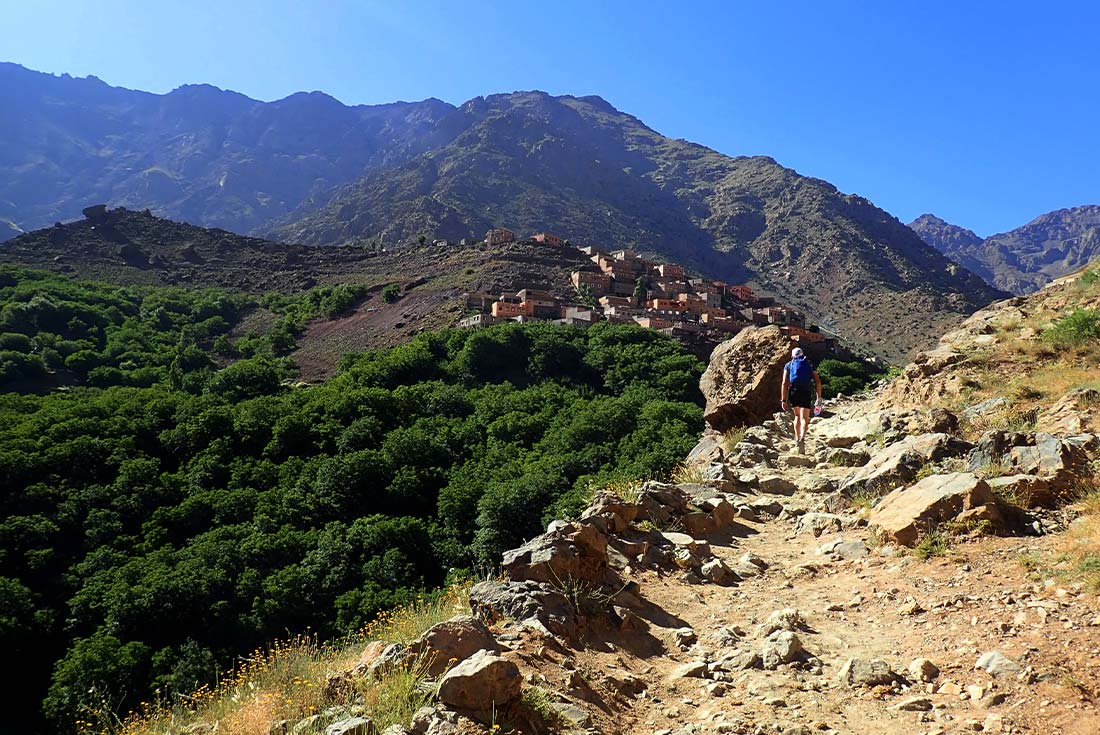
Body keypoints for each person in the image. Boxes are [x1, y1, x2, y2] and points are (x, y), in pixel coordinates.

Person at [780, 347, 823, 453]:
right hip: (806, 391)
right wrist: (819, 397)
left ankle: (796, 438)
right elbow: (817, 381)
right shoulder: (808, 363)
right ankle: (802, 439)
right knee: (805, 417)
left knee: (797, 416)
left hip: (794, 391)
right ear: (802, 355)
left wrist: (783, 400)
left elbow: (784, 383)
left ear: (792, 356)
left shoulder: (789, 365)